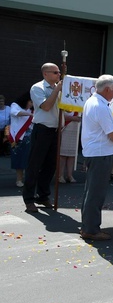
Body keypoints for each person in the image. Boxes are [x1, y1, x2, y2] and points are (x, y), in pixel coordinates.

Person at [80, 75, 113, 241]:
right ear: (107, 89)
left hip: (96, 152)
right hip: (100, 154)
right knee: (96, 193)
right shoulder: (100, 106)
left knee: (91, 191)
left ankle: (88, 225)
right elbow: (112, 134)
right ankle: (91, 229)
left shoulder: (92, 102)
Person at [23, 63, 63, 213]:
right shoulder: (37, 88)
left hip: (55, 130)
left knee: (50, 165)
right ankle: (28, 199)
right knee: (34, 164)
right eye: (55, 72)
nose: (59, 75)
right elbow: (46, 106)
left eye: (59, 72)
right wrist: (57, 90)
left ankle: (42, 195)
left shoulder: (59, 89)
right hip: (42, 130)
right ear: (45, 74)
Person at [9, 92, 34, 188]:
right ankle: (19, 179)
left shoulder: (32, 110)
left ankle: (28, 179)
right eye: (30, 102)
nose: (31, 104)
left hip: (29, 137)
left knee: (29, 159)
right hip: (18, 137)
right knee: (19, 159)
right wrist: (29, 114)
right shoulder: (15, 105)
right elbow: (15, 113)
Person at [57, 111, 82, 183]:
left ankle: (69, 175)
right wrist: (73, 118)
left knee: (72, 155)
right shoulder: (65, 102)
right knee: (62, 154)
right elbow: (59, 116)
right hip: (65, 128)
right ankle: (60, 175)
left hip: (75, 129)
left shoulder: (78, 104)